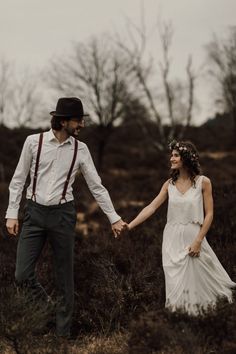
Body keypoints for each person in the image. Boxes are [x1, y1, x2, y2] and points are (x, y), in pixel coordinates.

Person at [5, 97, 126, 337]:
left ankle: (62, 335)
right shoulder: (33, 142)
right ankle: (50, 311)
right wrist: (12, 213)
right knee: (22, 274)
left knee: (64, 276)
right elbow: (18, 180)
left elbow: (97, 187)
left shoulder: (80, 149)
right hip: (34, 213)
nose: (81, 124)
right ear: (62, 121)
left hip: (63, 214)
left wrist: (113, 217)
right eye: (78, 120)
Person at [126, 140, 235, 315]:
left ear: (186, 158)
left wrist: (198, 240)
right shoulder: (169, 184)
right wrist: (130, 226)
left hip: (194, 237)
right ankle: (179, 322)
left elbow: (210, 214)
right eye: (172, 155)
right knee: (175, 284)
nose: (172, 158)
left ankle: (205, 322)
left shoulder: (203, 182)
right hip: (171, 240)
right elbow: (151, 207)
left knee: (200, 282)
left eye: (176, 155)